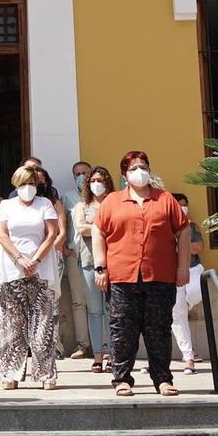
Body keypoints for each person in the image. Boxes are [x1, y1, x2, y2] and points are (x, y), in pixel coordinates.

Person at [92, 150, 191, 398]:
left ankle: (163, 379)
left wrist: (182, 267)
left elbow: (184, 231)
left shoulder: (165, 199)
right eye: (134, 168)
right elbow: (98, 232)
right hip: (122, 277)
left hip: (160, 276)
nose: (140, 171)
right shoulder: (112, 201)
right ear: (124, 174)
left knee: (159, 328)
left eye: (144, 166)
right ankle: (122, 379)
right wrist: (100, 266)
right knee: (122, 330)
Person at [0, 164, 62, 389]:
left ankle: (46, 374)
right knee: (13, 324)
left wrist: (36, 260)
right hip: (13, 268)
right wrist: (20, 259)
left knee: (43, 324)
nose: (28, 188)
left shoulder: (45, 204)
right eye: (23, 184)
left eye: (32, 184)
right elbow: (2, 234)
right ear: (16, 184)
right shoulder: (6, 205)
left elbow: (52, 233)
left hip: (40, 268)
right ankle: (10, 373)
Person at [74, 167, 114, 374]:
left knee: (111, 311)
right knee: (94, 311)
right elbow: (81, 228)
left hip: (114, 262)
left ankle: (112, 355)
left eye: (100, 180)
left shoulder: (115, 202)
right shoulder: (82, 206)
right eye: (93, 180)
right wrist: (104, 226)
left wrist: (94, 227)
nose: (96, 183)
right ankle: (98, 356)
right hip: (89, 262)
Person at [166, 191, 206, 375]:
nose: (182, 206)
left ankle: (182, 307)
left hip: (192, 270)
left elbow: (198, 248)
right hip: (170, 273)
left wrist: (180, 244)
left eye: (184, 203)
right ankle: (188, 357)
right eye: (179, 203)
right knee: (178, 314)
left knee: (181, 310)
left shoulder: (190, 226)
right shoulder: (164, 226)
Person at [61, 161, 93, 359]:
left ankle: (105, 345)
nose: (81, 176)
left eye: (84, 173)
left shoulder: (101, 197)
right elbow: (62, 223)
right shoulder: (68, 198)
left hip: (95, 254)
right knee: (78, 302)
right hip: (74, 254)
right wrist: (64, 246)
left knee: (99, 303)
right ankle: (83, 344)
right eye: (77, 174)